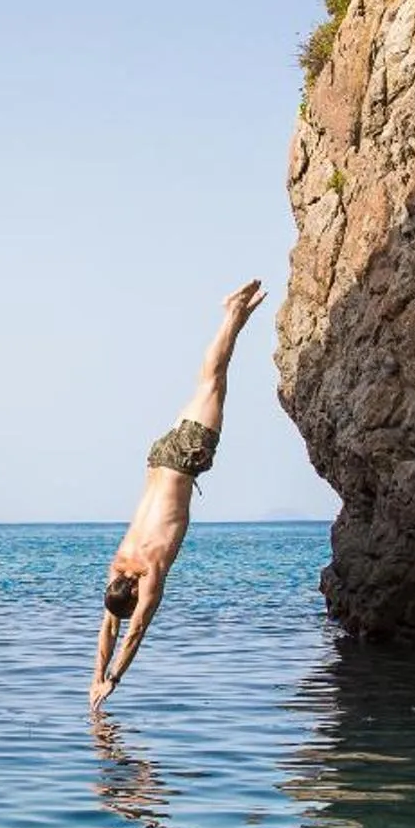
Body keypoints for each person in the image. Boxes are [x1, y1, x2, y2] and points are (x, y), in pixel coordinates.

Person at [90, 279, 268, 710]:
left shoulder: (148, 570)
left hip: (184, 460)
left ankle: (230, 314)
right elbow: (108, 626)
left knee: (213, 381)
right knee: (206, 383)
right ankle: (237, 319)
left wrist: (112, 679)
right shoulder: (120, 564)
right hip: (159, 457)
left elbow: (130, 633)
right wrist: (94, 678)